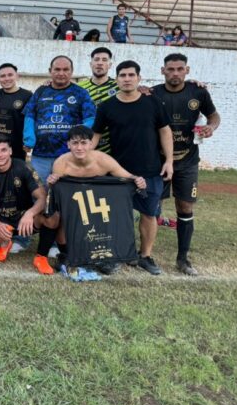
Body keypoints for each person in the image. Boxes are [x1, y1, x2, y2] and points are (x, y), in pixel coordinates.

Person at [92, 60, 174, 275]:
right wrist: (84, 161)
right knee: (118, 216)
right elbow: (95, 137)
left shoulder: (153, 103)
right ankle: (116, 255)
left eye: (131, 75)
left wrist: (169, 161)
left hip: (151, 170)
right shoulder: (107, 106)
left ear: (139, 78)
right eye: (122, 75)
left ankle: (145, 256)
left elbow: (165, 132)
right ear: (116, 78)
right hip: (119, 172)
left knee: (149, 214)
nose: (127, 79)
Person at [23, 55, 96, 274]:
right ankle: (24, 238)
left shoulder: (80, 94)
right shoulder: (41, 92)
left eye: (65, 69)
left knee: (62, 202)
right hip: (41, 157)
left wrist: (79, 142)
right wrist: (29, 136)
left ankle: (55, 243)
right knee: (38, 198)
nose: (61, 73)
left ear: (71, 71)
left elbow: (90, 120)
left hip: (68, 159)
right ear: (50, 70)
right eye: (57, 69)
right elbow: (30, 114)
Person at [46, 125, 147, 274]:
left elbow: (126, 176)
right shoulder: (61, 163)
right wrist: (52, 181)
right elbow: (56, 192)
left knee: (107, 218)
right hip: (75, 200)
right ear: (68, 144)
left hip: (99, 199)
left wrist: (137, 180)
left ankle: (106, 258)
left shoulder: (103, 160)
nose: (79, 147)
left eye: (83, 143)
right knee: (61, 216)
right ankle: (67, 254)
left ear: (91, 144)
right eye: (75, 143)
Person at [153, 53, 220, 275]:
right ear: (163, 71)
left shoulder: (198, 92)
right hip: (158, 161)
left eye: (179, 69)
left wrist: (211, 126)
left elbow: (214, 115)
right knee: (153, 208)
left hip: (187, 161)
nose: (175, 73)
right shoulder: (153, 93)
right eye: (170, 69)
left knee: (185, 207)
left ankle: (182, 259)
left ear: (187, 70)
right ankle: (145, 254)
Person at [0, 133, 46, 266]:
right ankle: (5, 241)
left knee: (50, 217)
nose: (0, 154)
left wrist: (30, 214)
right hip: (2, 220)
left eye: (4, 150)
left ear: (10, 151)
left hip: (24, 220)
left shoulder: (23, 167)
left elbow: (42, 197)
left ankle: (46, 251)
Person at [0, 63, 32, 161]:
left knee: (14, 174)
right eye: (2, 76)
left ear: (17, 76)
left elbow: (31, 121)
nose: (6, 78)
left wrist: (29, 142)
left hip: (16, 146)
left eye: (10, 75)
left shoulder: (27, 95)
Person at [78, 47, 118, 153]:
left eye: (104, 60)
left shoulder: (119, 86)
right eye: (96, 59)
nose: (100, 63)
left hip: (113, 147)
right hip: (84, 145)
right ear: (91, 64)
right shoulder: (79, 87)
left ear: (110, 65)